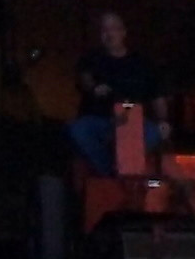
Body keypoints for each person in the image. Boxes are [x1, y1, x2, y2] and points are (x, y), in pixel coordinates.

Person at [69, 11, 165, 174]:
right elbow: (85, 78)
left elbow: (157, 95)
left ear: (123, 32)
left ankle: (124, 166)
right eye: (104, 30)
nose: (108, 34)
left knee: (155, 132)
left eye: (113, 28)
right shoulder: (91, 58)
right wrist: (94, 88)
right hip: (100, 120)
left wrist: (164, 120)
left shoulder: (142, 63)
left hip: (133, 121)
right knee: (78, 129)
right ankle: (108, 171)